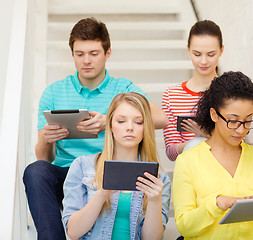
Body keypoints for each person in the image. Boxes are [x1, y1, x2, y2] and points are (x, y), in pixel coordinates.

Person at [23, 17, 168, 240]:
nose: (86, 61)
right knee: (35, 170)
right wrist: (47, 139)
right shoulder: (53, 92)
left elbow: (161, 118)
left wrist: (108, 120)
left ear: (107, 52)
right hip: (68, 172)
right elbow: (44, 158)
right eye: (79, 54)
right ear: (72, 54)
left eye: (93, 53)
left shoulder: (122, 88)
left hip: (105, 170)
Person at [172, 71, 253, 239]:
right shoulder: (188, 161)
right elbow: (184, 227)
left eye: (248, 120)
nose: (241, 129)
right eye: (233, 121)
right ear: (214, 115)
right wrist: (216, 205)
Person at [62, 92, 171, 240]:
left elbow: (151, 239)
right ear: (110, 126)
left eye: (138, 122)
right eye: (121, 121)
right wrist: (101, 195)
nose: (130, 128)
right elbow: (73, 232)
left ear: (146, 128)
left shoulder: (160, 179)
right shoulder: (83, 166)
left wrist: (154, 201)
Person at [162, 20, 224, 161]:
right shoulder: (172, 95)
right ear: (188, 50)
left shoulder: (230, 92)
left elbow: (239, 143)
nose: (203, 61)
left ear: (221, 51)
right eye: (197, 54)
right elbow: (171, 152)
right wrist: (196, 141)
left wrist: (206, 134)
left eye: (211, 54)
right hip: (190, 171)